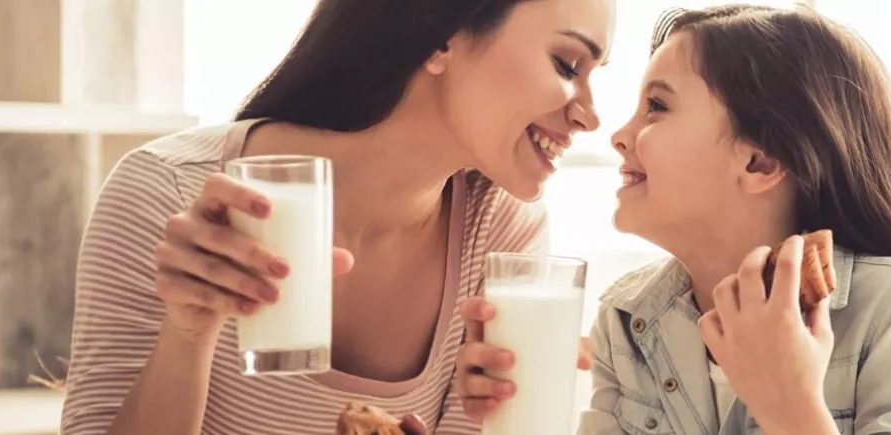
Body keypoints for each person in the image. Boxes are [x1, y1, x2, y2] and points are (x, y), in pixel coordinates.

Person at [58, 0, 613, 434]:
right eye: (567, 65)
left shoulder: (503, 232)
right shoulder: (166, 193)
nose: (589, 114)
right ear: (441, 37)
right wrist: (188, 333)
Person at [459, 4, 891, 435]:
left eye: (658, 107)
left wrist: (792, 408)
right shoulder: (627, 321)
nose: (618, 134)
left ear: (759, 162)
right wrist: (514, 417)